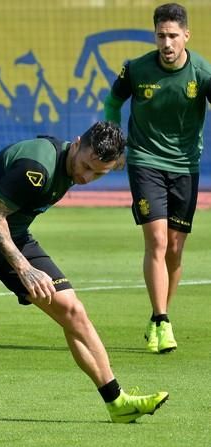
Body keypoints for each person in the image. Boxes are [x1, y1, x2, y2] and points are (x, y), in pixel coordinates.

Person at [0, 121, 169, 423]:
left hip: (14, 234)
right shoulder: (35, 169)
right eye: (86, 166)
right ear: (76, 144)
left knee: (72, 311)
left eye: (98, 173)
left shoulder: (81, 164)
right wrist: (24, 269)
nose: (87, 177)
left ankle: (117, 402)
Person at [104, 3, 211, 354]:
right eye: (161, 35)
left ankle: (157, 317)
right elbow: (112, 102)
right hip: (144, 162)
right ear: (156, 36)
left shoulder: (202, 72)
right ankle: (164, 321)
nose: (167, 43)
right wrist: (116, 142)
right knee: (158, 241)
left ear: (186, 36)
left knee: (176, 250)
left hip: (185, 166)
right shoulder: (135, 69)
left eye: (173, 36)